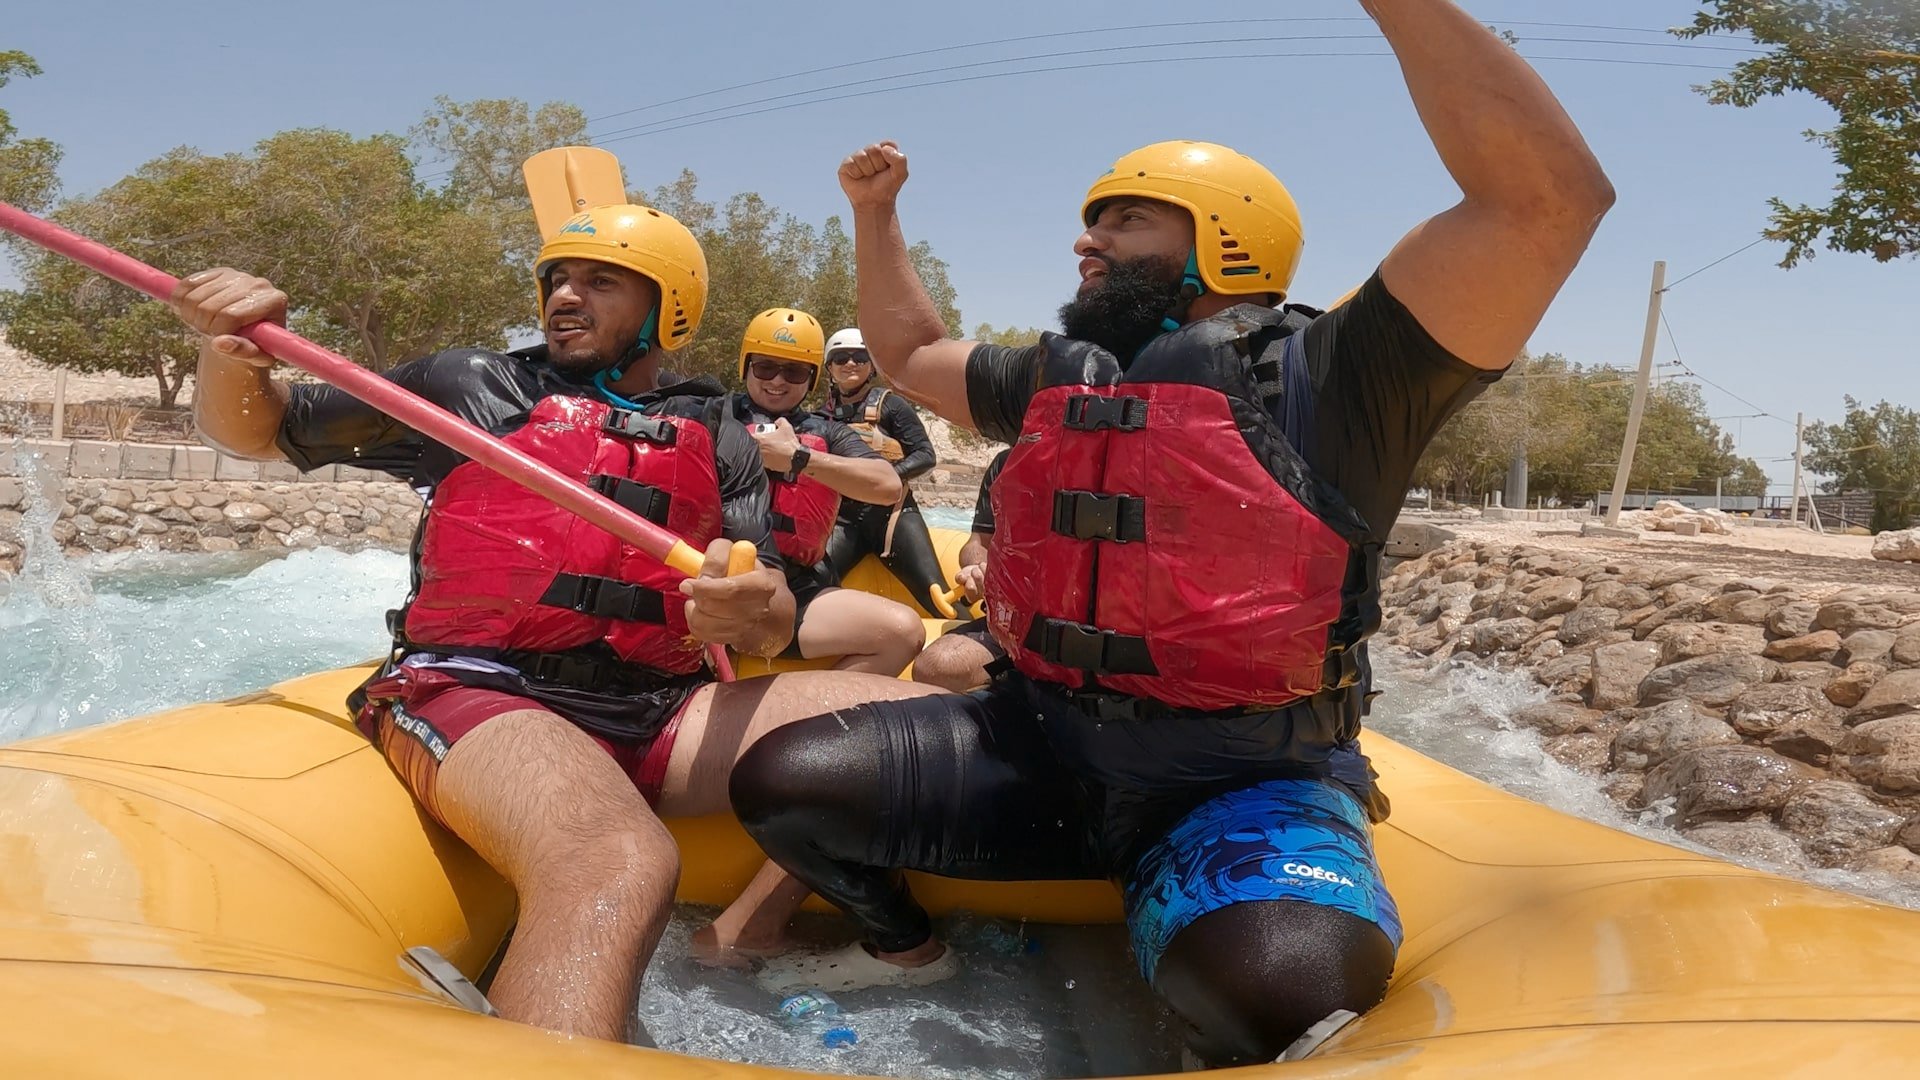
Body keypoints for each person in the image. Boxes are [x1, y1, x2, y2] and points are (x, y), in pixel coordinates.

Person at [729, 2, 1614, 1066]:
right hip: (1039, 750)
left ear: (1224, 241)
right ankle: (907, 948)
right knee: (782, 782)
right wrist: (876, 213)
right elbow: (912, 347)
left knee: (1284, 996)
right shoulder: (1061, 377)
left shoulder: (1337, 377)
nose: (1085, 241)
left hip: (1241, 782)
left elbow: (1544, 201)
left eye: (1123, 222)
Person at [166, 203, 939, 1044]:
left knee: (909, 732)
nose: (565, 297)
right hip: (477, 690)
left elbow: (773, 608)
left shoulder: (720, 428)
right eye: (555, 280)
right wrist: (231, 355)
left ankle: (745, 931)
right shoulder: (470, 385)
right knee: (618, 858)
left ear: (667, 308)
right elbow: (260, 429)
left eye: (599, 281)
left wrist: (751, 609)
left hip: (662, 711)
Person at [729, 307, 924, 675]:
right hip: (721, 582)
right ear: (746, 366)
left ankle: (817, 717)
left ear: (813, 377)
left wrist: (798, 458)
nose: (778, 381)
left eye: (794, 371)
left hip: (799, 586)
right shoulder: (713, 416)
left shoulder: (828, 432)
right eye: (765, 367)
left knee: (903, 632)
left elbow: (886, 485)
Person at [817, 328, 948, 615]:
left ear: (871, 365)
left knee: (938, 597)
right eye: (840, 358)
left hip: (894, 517)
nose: (850, 363)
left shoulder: (891, 405)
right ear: (829, 368)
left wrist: (885, 476)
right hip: (844, 521)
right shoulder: (819, 415)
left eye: (859, 357)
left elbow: (926, 454)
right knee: (810, 586)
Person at [910, 447, 1008, 692]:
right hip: (1011, 627)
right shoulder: (1007, 463)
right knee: (934, 666)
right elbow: (977, 542)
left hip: (1082, 639)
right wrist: (979, 566)